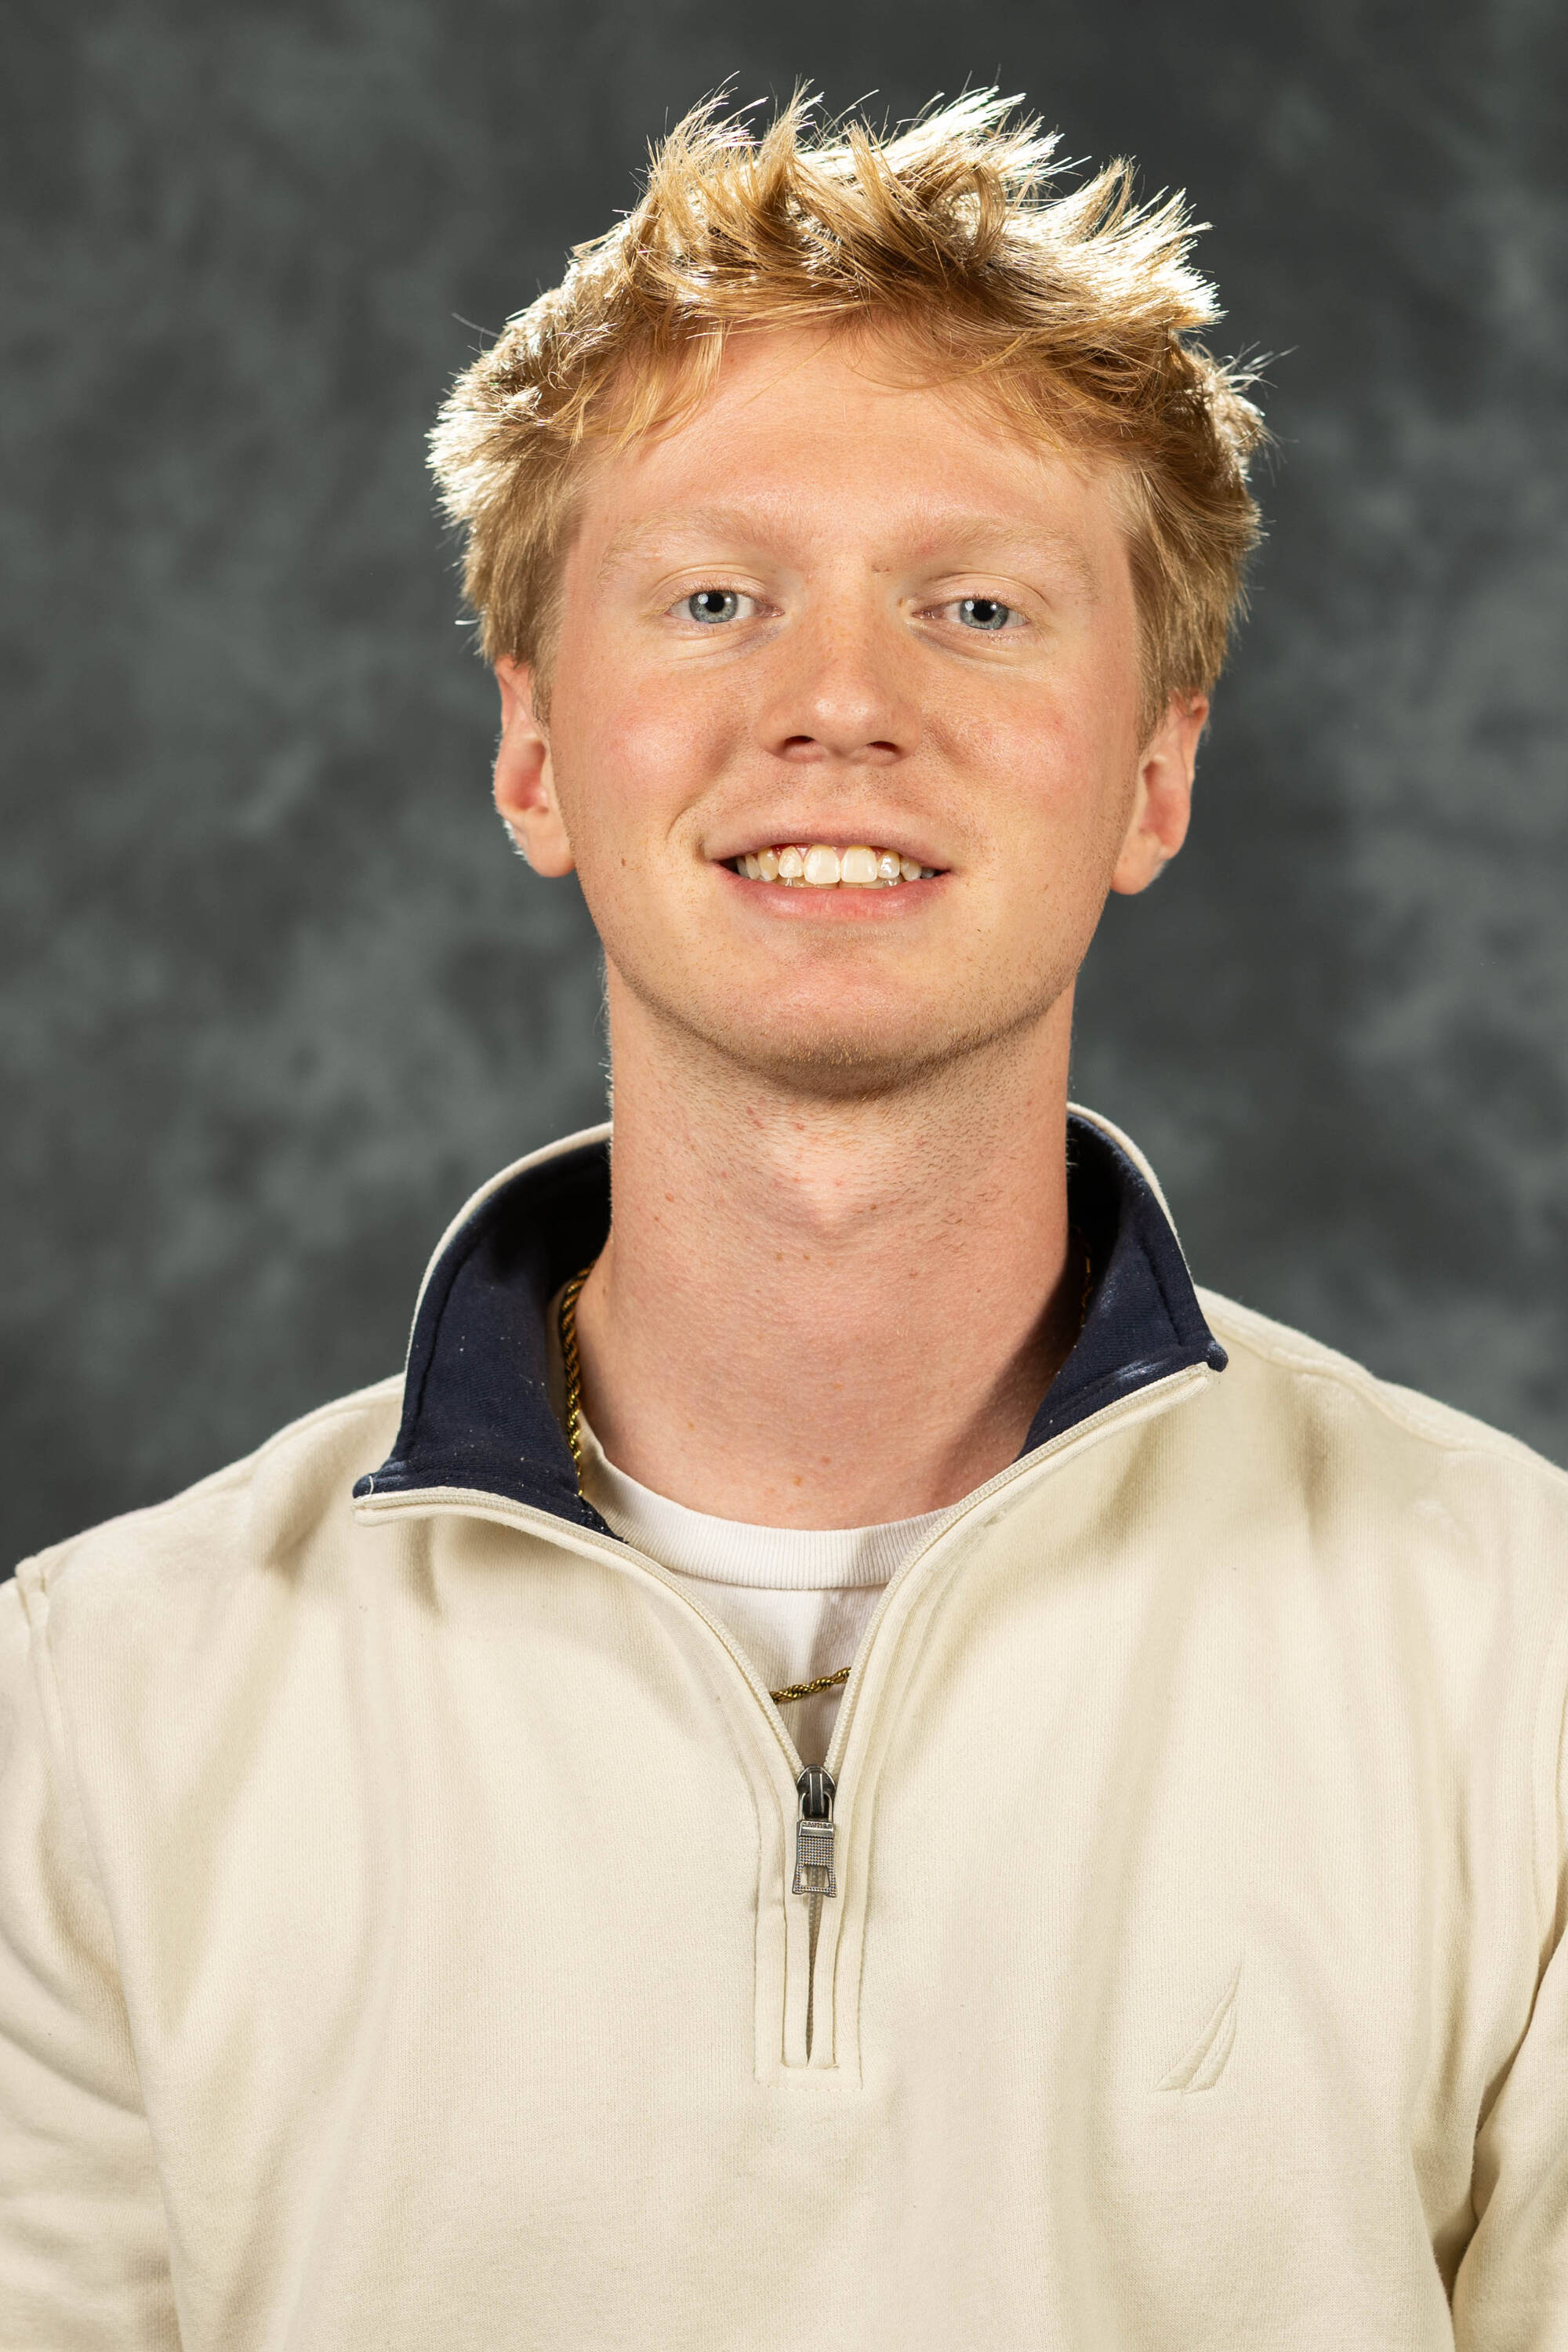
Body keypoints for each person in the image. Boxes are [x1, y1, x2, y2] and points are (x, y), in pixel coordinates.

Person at [2, 91, 1563, 2352]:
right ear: (536, 753)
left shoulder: (1517, 1667)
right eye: (719, 597)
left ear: (1156, 772)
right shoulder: (95, 1711)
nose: (841, 705)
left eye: (979, 605)